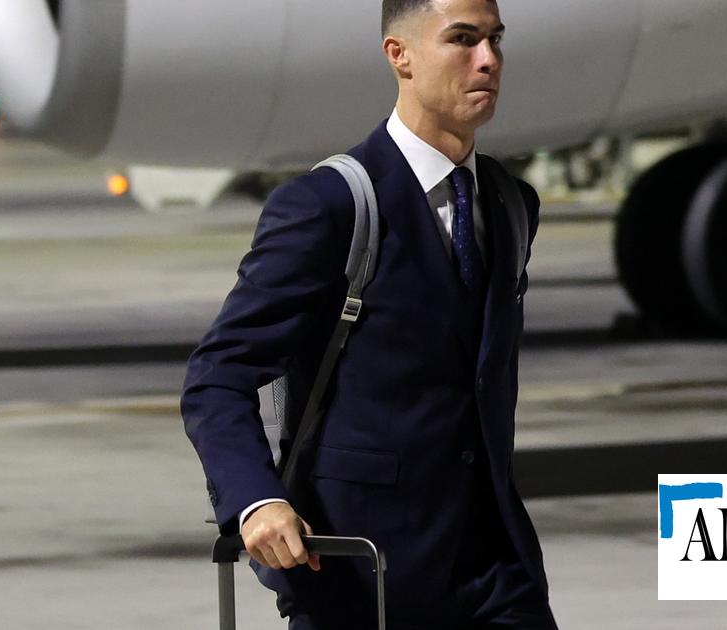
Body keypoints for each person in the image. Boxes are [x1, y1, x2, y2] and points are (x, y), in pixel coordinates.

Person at [180, 1, 556, 627]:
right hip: (363, 574)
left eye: (495, 40)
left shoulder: (512, 204)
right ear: (398, 55)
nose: (488, 60)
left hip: (496, 573)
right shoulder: (328, 205)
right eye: (462, 40)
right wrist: (256, 501)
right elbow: (219, 376)